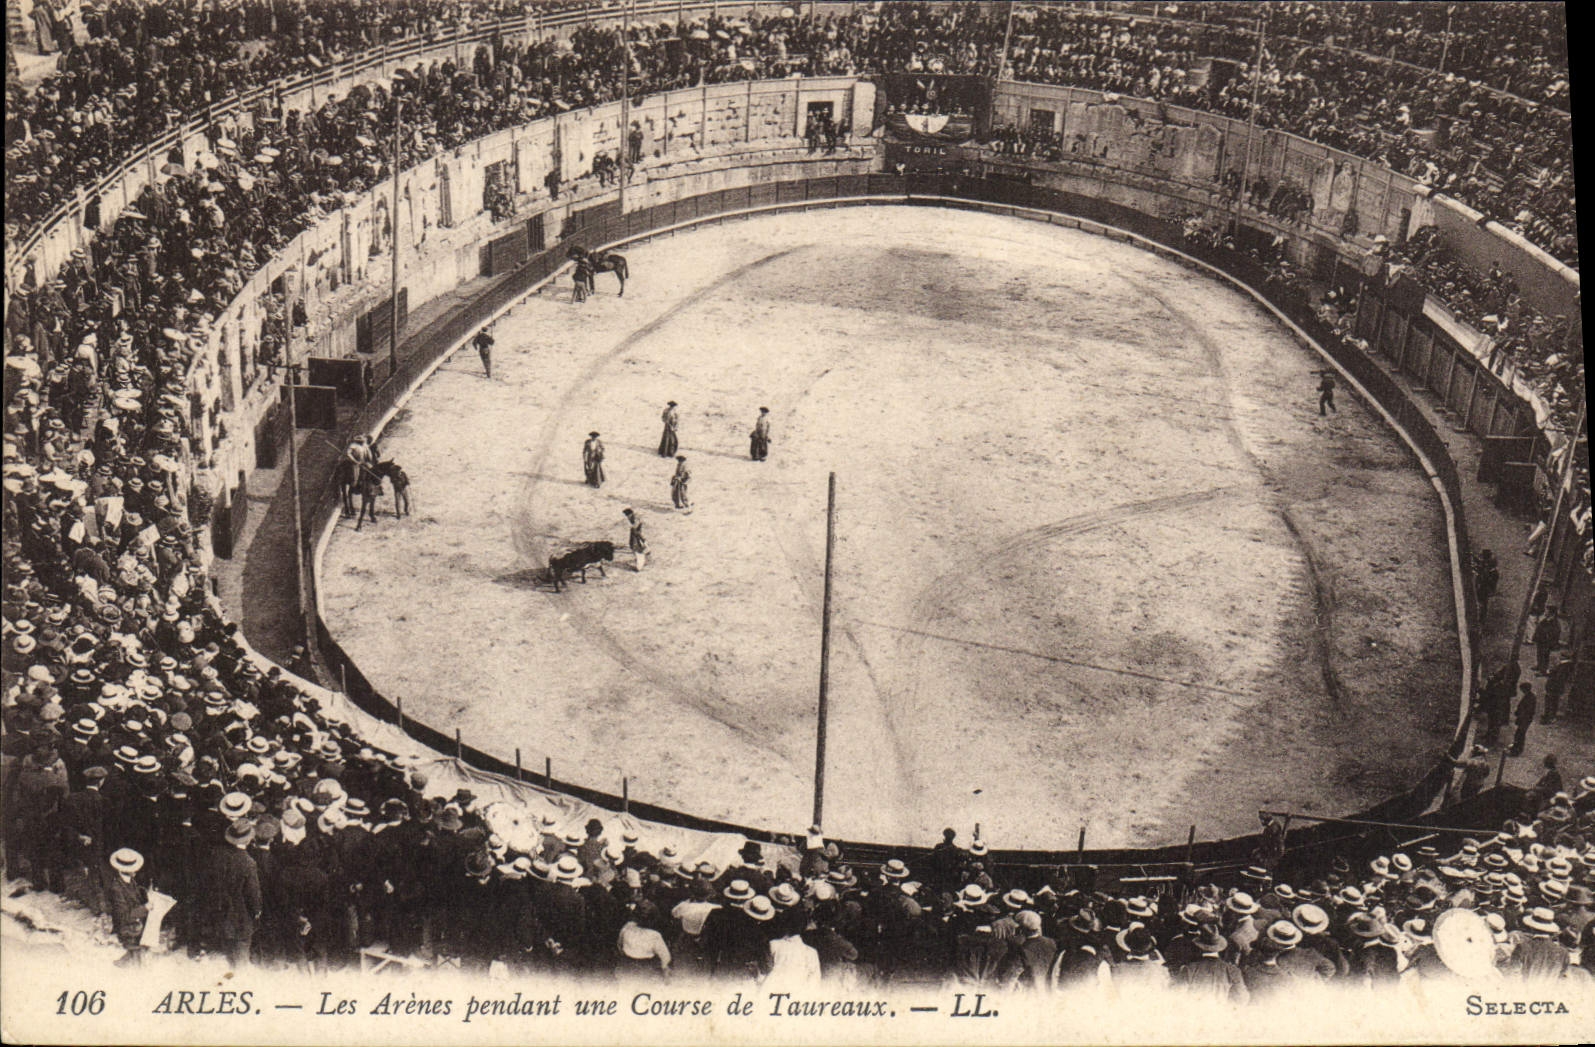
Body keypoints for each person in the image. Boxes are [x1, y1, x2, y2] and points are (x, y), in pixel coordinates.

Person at [106, 848, 150, 966]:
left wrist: (146, 895)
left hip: (135, 923)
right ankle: (130, 961)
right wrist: (145, 908)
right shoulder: (116, 888)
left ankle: (129, 960)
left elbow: (135, 897)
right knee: (138, 958)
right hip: (126, 928)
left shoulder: (130, 881)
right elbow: (123, 916)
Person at [1509, 681, 1537, 758]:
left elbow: (1526, 710)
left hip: (1525, 720)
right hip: (1524, 719)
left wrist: (1519, 715)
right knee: (1520, 734)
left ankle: (1516, 750)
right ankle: (1517, 747)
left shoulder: (1530, 698)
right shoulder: (1530, 696)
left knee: (1519, 734)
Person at [1531, 606, 1561, 675]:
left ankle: (1543, 670)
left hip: (1547, 642)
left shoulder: (1555, 623)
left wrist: (1547, 638)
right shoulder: (1546, 620)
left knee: (1545, 655)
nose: (1545, 612)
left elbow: (1554, 633)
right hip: (1541, 640)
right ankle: (1539, 665)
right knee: (1539, 653)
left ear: (1552, 613)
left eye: (1547, 611)